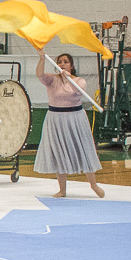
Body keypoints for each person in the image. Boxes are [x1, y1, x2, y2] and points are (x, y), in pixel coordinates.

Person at [33, 50, 104, 198]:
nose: (62, 64)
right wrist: (41, 58)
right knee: (59, 152)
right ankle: (62, 189)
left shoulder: (79, 80)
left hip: (75, 118)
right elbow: (39, 75)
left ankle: (93, 184)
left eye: (66, 62)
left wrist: (68, 79)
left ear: (71, 65)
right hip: (55, 118)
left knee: (83, 149)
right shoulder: (52, 79)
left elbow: (75, 93)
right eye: (60, 62)